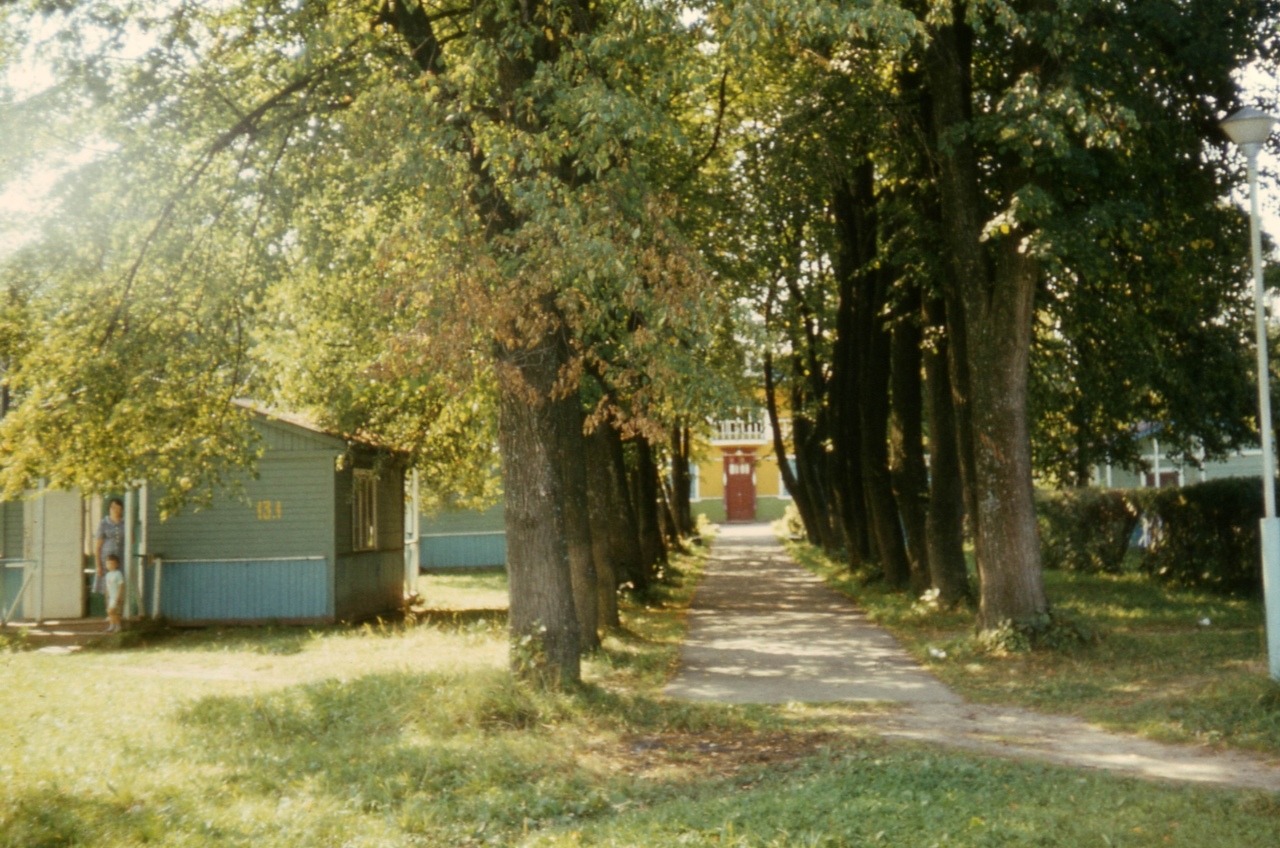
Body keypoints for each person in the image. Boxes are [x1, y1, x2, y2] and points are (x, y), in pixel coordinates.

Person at [94, 497, 124, 597]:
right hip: (106, 559)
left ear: (121, 510)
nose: (115, 510)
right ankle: (109, 608)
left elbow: (131, 540)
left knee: (120, 583)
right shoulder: (104, 523)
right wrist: (98, 565)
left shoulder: (124, 523)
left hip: (121, 558)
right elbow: (98, 546)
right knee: (108, 585)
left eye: (117, 508)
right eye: (112, 507)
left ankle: (118, 609)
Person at [103, 554, 124, 633]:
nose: (110, 565)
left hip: (116, 596)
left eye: (112, 563)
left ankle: (118, 626)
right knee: (109, 612)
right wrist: (106, 596)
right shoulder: (108, 575)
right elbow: (107, 587)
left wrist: (119, 596)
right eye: (108, 563)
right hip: (110, 597)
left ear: (117, 564)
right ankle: (111, 626)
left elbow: (121, 585)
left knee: (113, 611)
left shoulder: (118, 573)